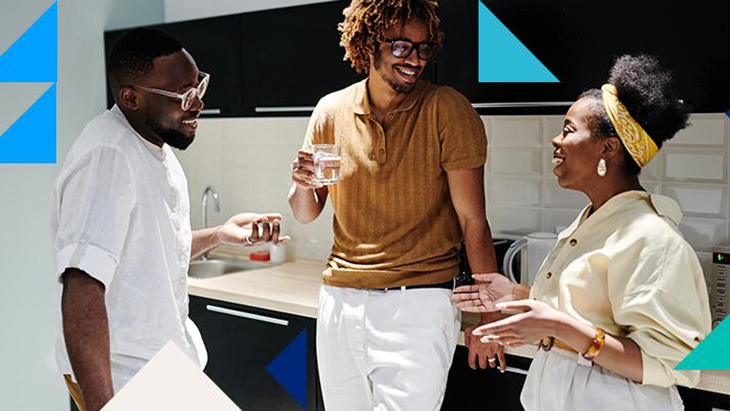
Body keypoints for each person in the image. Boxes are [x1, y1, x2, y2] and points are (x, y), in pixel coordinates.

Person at [451, 55, 712, 410]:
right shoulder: (593, 221)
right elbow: (585, 310)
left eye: (569, 130)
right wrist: (515, 294)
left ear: (608, 147)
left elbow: (670, 362)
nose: (555, 141)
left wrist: (559, 328)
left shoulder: (652, 238)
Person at [49, 28, 289, 411]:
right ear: (131, 98)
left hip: (163, 367)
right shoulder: (108, 156)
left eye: (199, 87)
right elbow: (82, 286)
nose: (197, 104)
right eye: (184, 94)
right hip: (126, 379)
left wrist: (218, 235)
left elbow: (151, 252)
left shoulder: (156, 150)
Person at [288, 0, 503, 409]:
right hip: (339, 300)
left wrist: (489, 318)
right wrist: (301, 183)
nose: (415, 60)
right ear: (369, 44)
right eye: (401, 47)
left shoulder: (447, 109)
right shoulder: (330, 111)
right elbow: (306, 211)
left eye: (423, 49)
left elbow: (474, 221)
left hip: (419, 304)